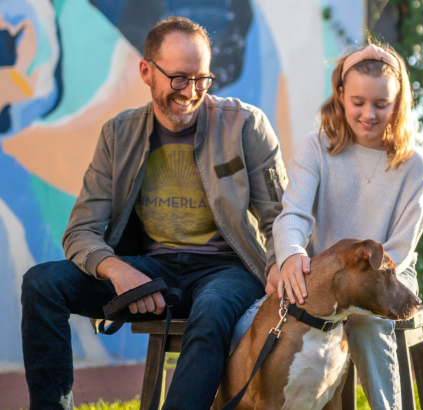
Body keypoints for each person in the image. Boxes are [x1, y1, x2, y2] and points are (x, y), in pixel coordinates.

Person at [20, 16, 284, 410]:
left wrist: (281, 266)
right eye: (179, 78)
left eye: (201, 79)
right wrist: (119, 272)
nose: (191, 92)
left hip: (228, 273)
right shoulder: (118, 134)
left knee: (212, 312)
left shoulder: (246, 125)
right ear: (147, 71)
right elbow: (80, 231)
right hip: (151, 272)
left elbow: (280, 219)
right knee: (42, 284)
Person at [267, 43, 423, 410]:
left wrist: (361, 290)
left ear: (399, 102)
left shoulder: (415, 166)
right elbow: (293, 214)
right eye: (358, 102)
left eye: (381, 104)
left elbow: (401, 250)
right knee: (265, 313)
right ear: (340, 95)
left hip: (388, 278)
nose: (369, 114)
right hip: (329, 280)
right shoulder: (315, 149)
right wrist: (291, 254)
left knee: (361, 321)